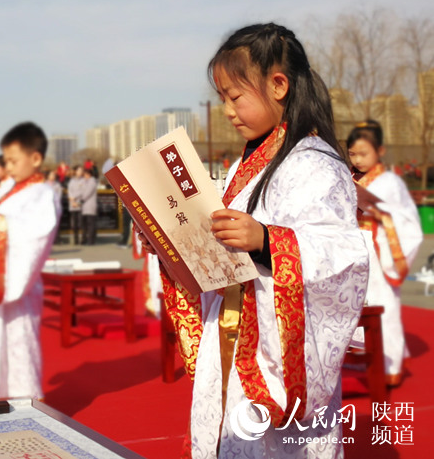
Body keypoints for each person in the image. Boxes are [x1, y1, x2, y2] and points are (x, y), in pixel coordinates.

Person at [159, 23, 368, 456]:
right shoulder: (249, 165)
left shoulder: (313, 163)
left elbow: (341, 258)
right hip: (233, 337)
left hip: (271, 351)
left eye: (235, 97)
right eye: (222, 100)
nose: (228, 111)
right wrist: (174, 243)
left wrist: (267, 241)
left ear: (278, 86)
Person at [0, 122, 61, 400]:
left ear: (36, 158)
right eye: (6, 160)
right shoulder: (10, 187)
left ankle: (23, 400)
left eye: (14, 161)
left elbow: (35, 234)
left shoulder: (43, 194)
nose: (9, 167)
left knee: (19, 342)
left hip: (18, 285)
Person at [347, 120, 423, 387]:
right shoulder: (349, 178)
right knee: (354, 303)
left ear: (380, 150)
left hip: (379, 250)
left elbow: (407, 221)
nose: (357, 159)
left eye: (364, 154)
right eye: (352, 154)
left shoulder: (390, 182)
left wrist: (381, 217)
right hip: (354, 248)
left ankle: (389, 363)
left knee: (382, 305)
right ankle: (360, 355)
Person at [79, 167, 98, 245]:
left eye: (85, 174)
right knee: (85, 224)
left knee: (91, 224)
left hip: (90, 206)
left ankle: (91, 240)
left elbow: (87, 193)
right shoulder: (84, 181)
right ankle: (85, 239)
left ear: (89, 174)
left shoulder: (92, 182)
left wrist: (81, 199)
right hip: (84, 207)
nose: (84, 176)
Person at [66, 166, 84, 245]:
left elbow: (83, 192)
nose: (80, 172)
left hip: (80, 203)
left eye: (81, 171)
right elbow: (70, 191)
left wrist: (75, 197)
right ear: (75, 171)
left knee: (81, 223)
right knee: (74, 223)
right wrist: (72, 200)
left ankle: (82, 239)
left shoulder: (84, 181)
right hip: (72, 204)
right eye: (79, 170)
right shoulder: (72, 181)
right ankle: (75, 240)